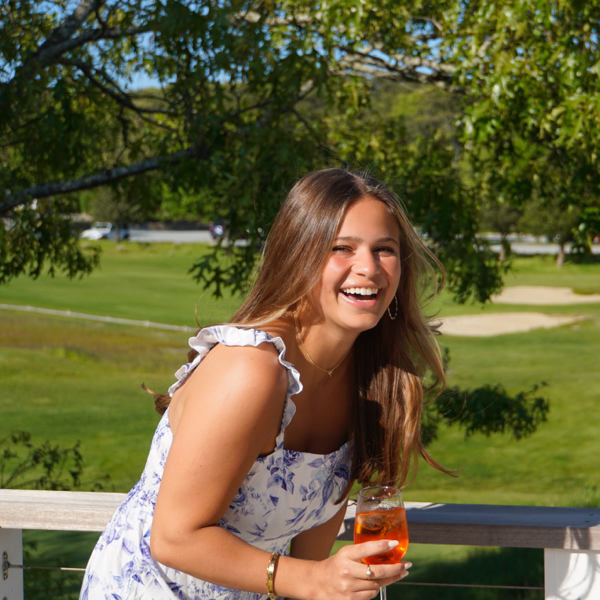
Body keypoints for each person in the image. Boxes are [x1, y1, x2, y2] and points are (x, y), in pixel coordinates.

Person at [80, 168, 449, 600]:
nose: (368, 267)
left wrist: (328, 583)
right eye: (341, 248)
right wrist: (314, 580)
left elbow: (312, 559)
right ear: (299, 255)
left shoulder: (367, 385)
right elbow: (174, 538)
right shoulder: (251, 368)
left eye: (384, 249)